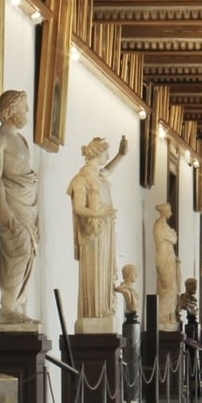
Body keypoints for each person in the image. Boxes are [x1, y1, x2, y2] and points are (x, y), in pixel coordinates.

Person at [0, 89, 39, 325]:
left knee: (29, 254)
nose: (27, 111)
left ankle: (18, 306)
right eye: (23, 107)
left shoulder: (20, 138)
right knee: (18, 254)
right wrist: (2, 208)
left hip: (27, 206)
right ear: (11, 110)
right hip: (11, 206)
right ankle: (7, 308)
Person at [67, 136, 128, 320]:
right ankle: (94, 313)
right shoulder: (81, 179)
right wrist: (98, 214)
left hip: (106, 230)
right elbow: (78, 208)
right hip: (93, 233)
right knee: (96, 273)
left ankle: (104, 310)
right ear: (98, 153)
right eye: (106, 153)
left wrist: (121, 155)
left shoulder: (98, 176)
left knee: (106, 271)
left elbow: (108, 170)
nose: (108, 156)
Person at [154, 203, 179, 329]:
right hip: (164, 258)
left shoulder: (165, 226)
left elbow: (173, 239)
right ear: (164, 212)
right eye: (169, 210)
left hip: (168, 258)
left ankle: (168, 315)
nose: (171, 213)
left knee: (171, 288)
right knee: (167, 288)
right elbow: (174, 239)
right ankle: (162, 316)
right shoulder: (160, 225)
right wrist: (173, 235)